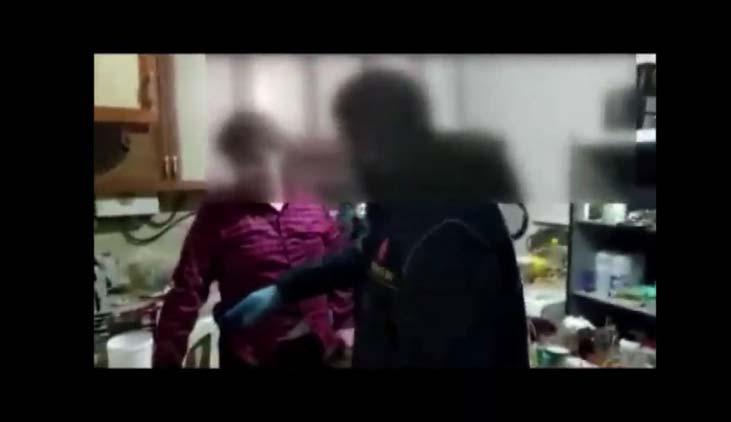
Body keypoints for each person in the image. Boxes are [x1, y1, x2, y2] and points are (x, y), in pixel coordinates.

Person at [220, 70, 529, 368]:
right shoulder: (402, 196)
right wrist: (284, 289)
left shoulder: (450, 231)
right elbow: (369, 254)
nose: (347, 152)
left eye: (351, 137)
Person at [152, 111, 344, 368]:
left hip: (316, 351)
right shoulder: (218, 212)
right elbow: (187, 289)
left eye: (258, 157)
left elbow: (338, 265)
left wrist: (343, 325)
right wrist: (166, 359)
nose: (251, 169)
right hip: (249, 357)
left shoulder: (311, 201)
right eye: (241, 160)